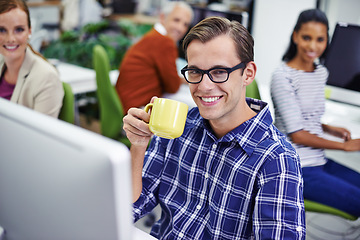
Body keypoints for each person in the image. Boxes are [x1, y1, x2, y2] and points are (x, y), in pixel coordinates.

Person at [123, 16, 305, 239]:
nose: (204, 86)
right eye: (195, 72)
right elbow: (129, 207)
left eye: (219, 72)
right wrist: (138, 146)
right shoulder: (177, 128)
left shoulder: (276, 159)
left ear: (247, 74)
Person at [271, 9, 360, 217]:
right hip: (296, 166)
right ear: (295, 37)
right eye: (306, 38)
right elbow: (297, 133)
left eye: (320, 39)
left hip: (318, 160)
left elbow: (305, 118)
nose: (313, 46)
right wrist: (344, 146)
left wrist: (330, 129)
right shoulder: (282, 77)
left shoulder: (320, 73)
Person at [115, 1, 193, 113]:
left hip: (126, 104)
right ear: (162, 17)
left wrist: (180, 79)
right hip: (137, 109)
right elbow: (173, 86)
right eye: (176, 20)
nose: (180, 28)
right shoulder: (165, 42)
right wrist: (184, 80)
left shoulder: (153, 36)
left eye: (185, 24)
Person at [0, 0, 64, 118]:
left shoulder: (47, 78)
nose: (10, 39)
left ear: (29, 31)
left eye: (19, 29)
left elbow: (39, 134)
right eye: (2, 30)